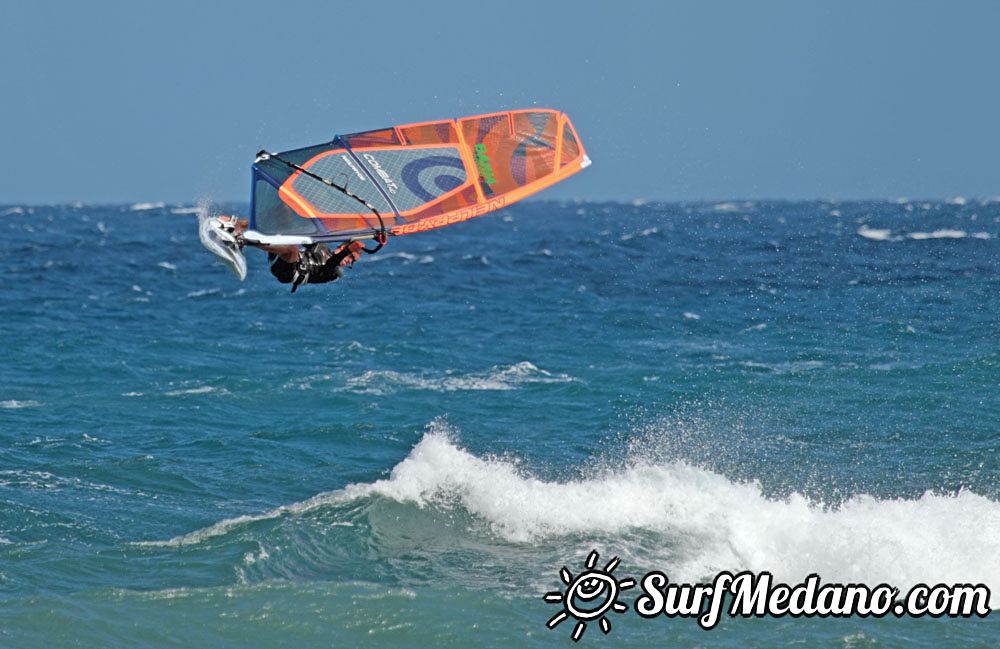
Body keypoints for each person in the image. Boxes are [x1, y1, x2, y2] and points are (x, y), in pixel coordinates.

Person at [218, 216, 364, 291]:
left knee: (292, 247)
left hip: (289, 272)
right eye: (351, 256)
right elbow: (306, 230)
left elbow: (328, 266)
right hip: (281, 256)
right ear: (341, 246)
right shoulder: (322, 247)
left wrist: (347, 251)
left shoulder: (336, 273)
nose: (349, 261)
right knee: (282, 214)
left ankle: (241, 241)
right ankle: (235, 225)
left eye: (353, 260)